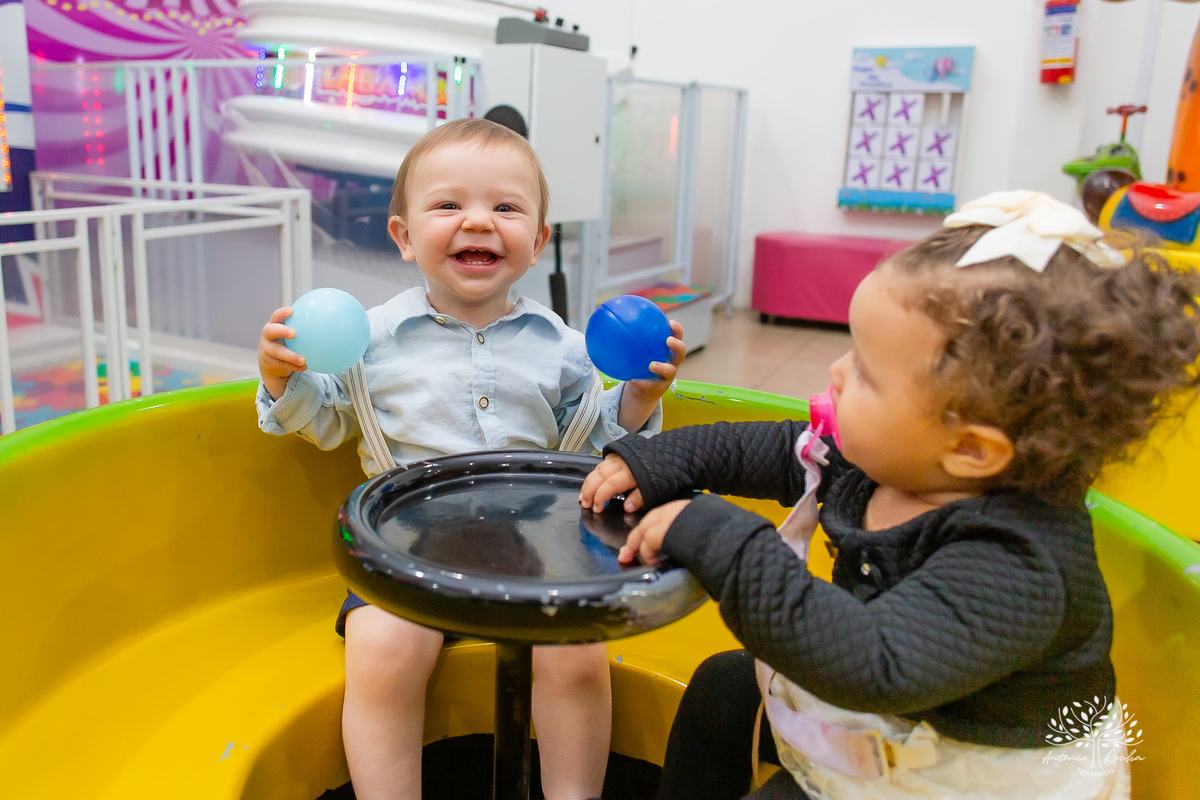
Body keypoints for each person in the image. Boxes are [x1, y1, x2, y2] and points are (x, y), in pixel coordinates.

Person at [580, 191, 1200, 800]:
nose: (837, 373)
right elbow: (772, 448)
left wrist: (718, 535)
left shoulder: (1016, 562)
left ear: (973, 449)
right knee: (725, 686)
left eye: (868, 374)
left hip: (962, 773)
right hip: (892, 722)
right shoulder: (904, 460)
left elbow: (873, 664)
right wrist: (658, 460)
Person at [255, 117, 686, 800]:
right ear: (403, 236)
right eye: (449, 205)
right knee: (384, 652)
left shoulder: (565, 347)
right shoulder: (367, 339)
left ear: (538, 241)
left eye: (506, 207)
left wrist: (637, 394)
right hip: (409, 548)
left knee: (578, 657)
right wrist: (284, 379)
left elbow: (602, 440)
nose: (479, 223)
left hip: (540, 546)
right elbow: (329, 422)